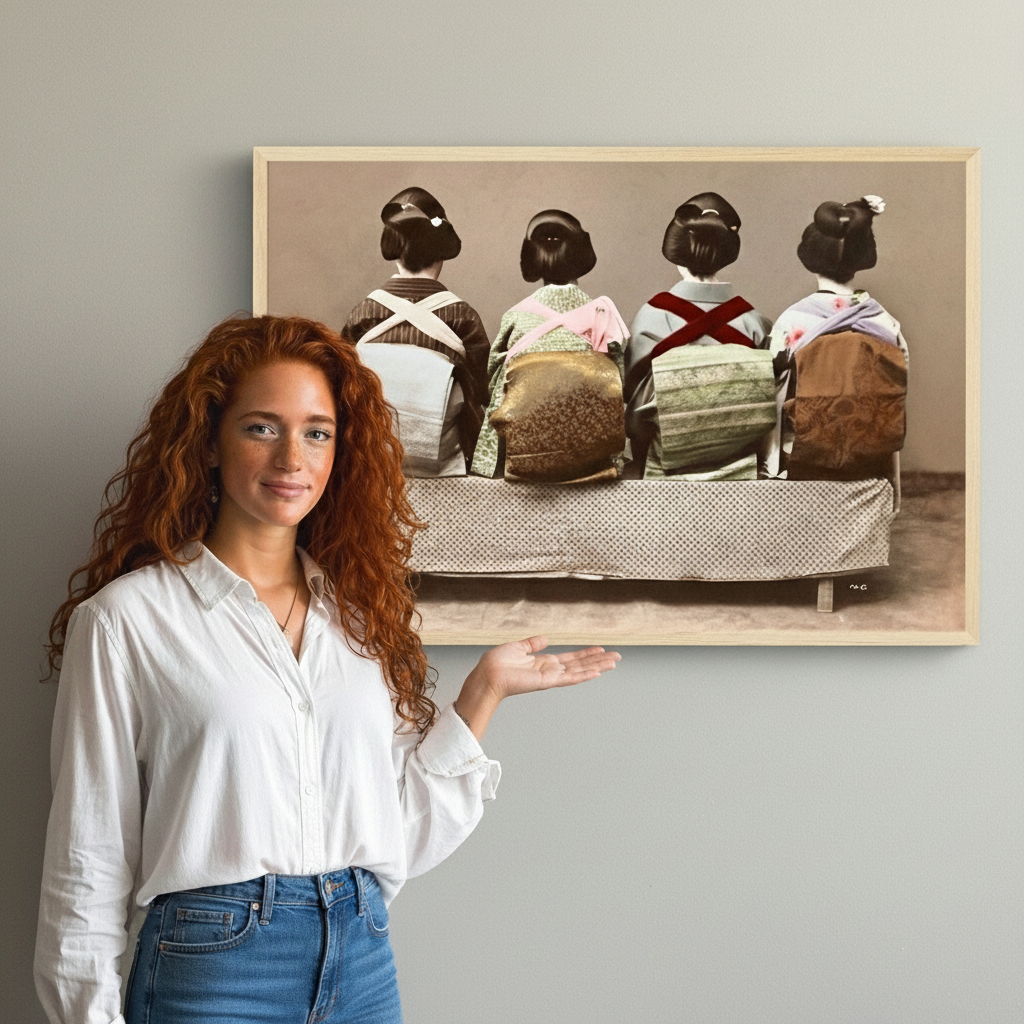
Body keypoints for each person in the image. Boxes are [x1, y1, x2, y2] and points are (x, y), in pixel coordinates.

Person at [34, 315, 619, 1024]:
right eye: (261, 427)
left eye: (317, 432)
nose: (292, 458)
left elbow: (397, 831)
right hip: (213, 970)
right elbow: (86, 861)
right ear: (210, 442)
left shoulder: (359, 619)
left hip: (362, 956)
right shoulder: (128, 621)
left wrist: (483, 693)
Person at [470, 210, 630, 483]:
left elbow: (494, 379)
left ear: (532, 258)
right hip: (590, 454)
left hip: (525, 452)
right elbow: (619, 383)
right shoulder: (601, 314)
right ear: (582, 255)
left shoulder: (515, 316)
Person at [623, 193, 775, 480]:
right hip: (743, 481)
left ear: (676, 251)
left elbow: (633, 410)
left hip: (664, 477)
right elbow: (769, 411)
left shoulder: (650, 317)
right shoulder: (755, 324)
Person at [343, 187, 489, 476]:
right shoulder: (462, 315)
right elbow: (482, 389)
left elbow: (340, 376)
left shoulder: (364, 312)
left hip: (370, 449)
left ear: (395, 252)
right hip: (441, 455)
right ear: (441, 256)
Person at [765, 195, 909, 479]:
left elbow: (773, 404)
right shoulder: (886, 324)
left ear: (811, 257)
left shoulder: (792, 322)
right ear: (863, 256)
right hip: (869, 468)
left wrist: (770, 472)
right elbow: (894, 408)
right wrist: (893, 484)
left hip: (802, 467)